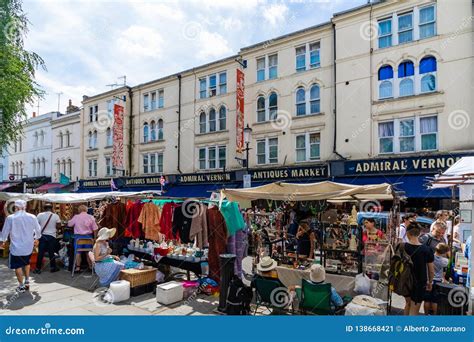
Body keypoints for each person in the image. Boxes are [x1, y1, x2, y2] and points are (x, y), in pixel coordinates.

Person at [0, 200, 41, 293]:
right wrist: (36, 238)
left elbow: (5, 231)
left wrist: (3, 241)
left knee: (17, 266)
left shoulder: (11, 218)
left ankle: (21, 286)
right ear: (25, 207)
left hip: (16, 248)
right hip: (28, 246)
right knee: (26, 263)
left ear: (16, 207)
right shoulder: (32, 217)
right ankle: (27, 280)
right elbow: (38, 229)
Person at [403, 222, 434, 316]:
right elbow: (431, 270)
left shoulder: (402, 247)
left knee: (408, 304)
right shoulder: (427, 250)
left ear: (407, 233)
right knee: (414, 309)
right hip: (420, 282)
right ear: (420, 233)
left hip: (405, 281)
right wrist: (430, 282)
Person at [68, 204, 99, 272]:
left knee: (78, 253)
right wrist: (95, 238)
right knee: (89, 252)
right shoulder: (91, 217)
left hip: (78, 238)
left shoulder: (76, 217)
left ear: (79, 210)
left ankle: (78, 267)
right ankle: (91, 267)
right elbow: (95, 229)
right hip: (89, 237)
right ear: (86, 210)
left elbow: (69, 224)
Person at [33, 203, 61, 274]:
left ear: (44, 208)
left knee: (41, 253)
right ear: (51, 208)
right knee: (52, 252)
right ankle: (53, 267)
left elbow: (36, 225)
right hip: (52, 236)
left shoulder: (39, 215)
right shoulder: (55, 216)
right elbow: (59, 227)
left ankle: (37, 268)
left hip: (42, 236)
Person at [423, 243, 449, 315]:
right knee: (435, 301)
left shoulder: (430, 257)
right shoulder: (445, 261)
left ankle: (426, 314)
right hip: (438, 281)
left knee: (426, 300)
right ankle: (435, 315)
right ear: (444, 252)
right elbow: (445, 270)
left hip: (428, 280)